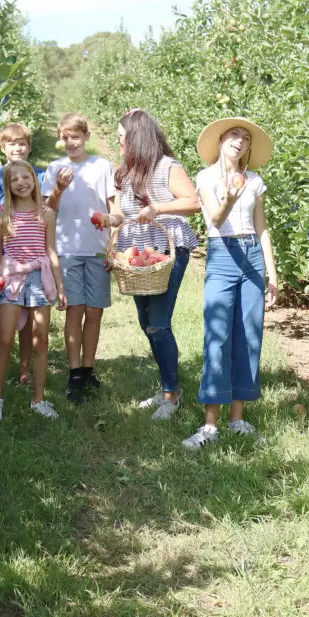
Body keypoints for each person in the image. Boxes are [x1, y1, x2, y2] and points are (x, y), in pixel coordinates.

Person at [182, 116, 278, 451]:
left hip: (252, 255)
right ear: (221, 140)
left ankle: (237, 419)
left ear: (249, 149)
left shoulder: (255, 181)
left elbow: (262, 228)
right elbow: (217, 218)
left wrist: (272, 274)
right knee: (218, 334)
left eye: (246, 138)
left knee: (249, 335)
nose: (240, 141)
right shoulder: (206, 177)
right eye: (234, 135)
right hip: (223, 253)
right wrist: (230, 198)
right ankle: (210, 425)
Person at [104, 108, 200, 419]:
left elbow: (194, 202)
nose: (119, 143)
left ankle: (171, 396)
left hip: (167, 247)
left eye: (122, 138)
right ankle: (166, 386)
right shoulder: (125, 172)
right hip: (138, 251)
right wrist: (109, 221)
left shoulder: (167, 167)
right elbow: (121, 214)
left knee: (158, 323)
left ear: (137, 138)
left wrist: (157, 208)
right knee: (147, 323)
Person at [43, 113, 121, 403]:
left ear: (86, 137)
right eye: (65, 138)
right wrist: (59, 190)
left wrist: (112, 228)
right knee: (74, 311)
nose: (70, 143)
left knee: (95, 312)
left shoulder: (102, 167)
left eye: (75, 137)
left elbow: (116, 211)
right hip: (67, 248)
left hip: (97, 249)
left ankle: (89, 369)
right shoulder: (54, 169)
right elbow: (46, 212)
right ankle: (74, 373)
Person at [0, 160, 66, 422]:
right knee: (5, 339)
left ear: (35, 179)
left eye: (26, 177)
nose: (21, 182)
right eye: (14, 179)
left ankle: (38, 399)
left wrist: (60, 287)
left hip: (39, 278)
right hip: (11, 278)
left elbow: (50, 251)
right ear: (8, 186)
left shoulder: (46, 214)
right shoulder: (2, 214)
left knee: (40, 339)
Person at [0, 123, 44, 386]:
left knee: (28, 316)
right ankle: (3, 361)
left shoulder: (37, 175)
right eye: (12, 144)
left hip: (31, 259)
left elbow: (42, 214)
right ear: (2, 147)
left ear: (29, 148)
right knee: (3, 316)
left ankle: (24, 367)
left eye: (22, 143)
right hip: (6, 257)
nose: (17, 148)